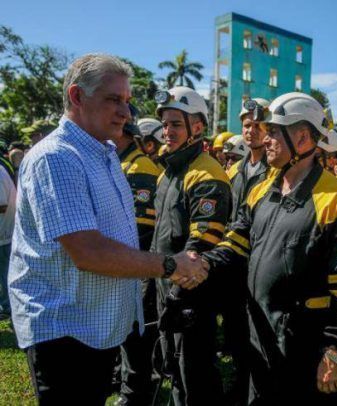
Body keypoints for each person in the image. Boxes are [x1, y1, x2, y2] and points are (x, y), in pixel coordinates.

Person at [8, 54, 206, 405]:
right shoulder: (57, 157)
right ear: (77, 96)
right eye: (113, 100)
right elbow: (88, 252)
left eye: (127, 102)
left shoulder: (104, 153)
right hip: (65, 333)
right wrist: (171, 265)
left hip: (94, 327)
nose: (126, 113)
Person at [200, 92, 337, 405]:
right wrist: (202, 264)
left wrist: (335, 352)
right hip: (260, 336)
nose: (266, 140)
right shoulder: (262, 188)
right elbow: (236, 242)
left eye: (274, 132)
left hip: (306, 347)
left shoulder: (333, 197)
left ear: (303, 137)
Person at [152, 86, 232, 406]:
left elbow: (201, 242)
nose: (167, 131)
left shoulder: (207, 172)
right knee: (174, 371)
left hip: (190, 297)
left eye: (175, 124)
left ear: (197, 127)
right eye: (165, 124)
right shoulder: (168, 172)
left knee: (195, 375)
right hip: (165, 290)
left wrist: (176, 295)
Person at [113, 104, 163, 405]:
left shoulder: (140, 167)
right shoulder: (119, 162)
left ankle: (135, 391)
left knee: (137, 334)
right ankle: (123, 380)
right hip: (123, 262)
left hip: (137, 264)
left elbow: (141, 229)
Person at [223, 98, 270, 406]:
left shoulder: (275, 171)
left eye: (257, 125)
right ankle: (240, 385)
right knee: (235, 331)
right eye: (247, 126)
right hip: (233, 262)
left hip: (259, 263)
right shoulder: (235, 171)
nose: (251, 131)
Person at [0, 165, 15, 320]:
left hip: (3, 232)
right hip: (5, 231)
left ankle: (8, 307)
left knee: (5, 272)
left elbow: (2, 205)